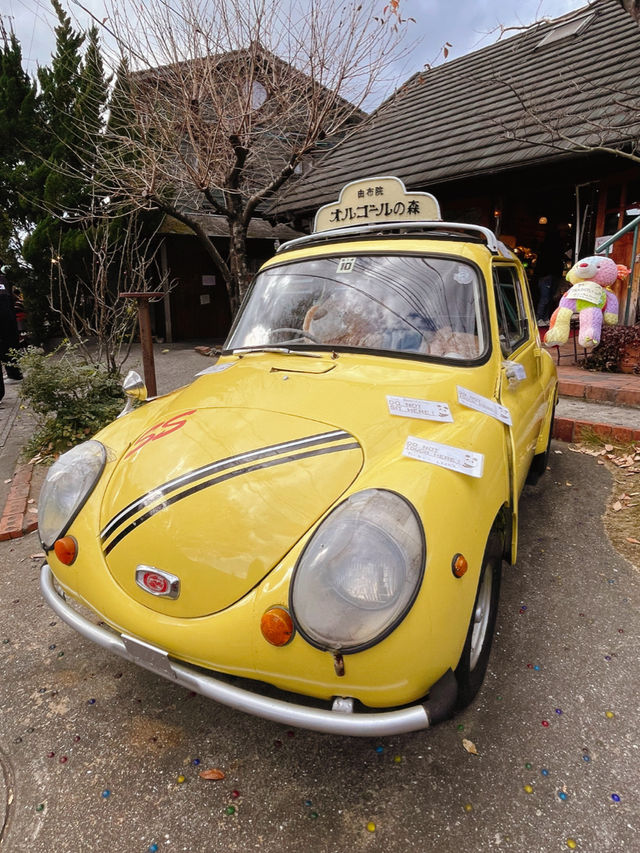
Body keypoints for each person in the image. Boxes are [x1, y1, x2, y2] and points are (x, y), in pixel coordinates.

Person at [534, 226, 565, 325]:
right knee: (546, 298)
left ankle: (543, 318)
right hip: (548, 275)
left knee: (547, 298)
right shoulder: (557, 247)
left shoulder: (545, 246)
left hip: (547, 275)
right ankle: (540, 318)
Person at [0, 265, 23, 392]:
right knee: (9, 346)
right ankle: (14, 373)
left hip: (5, 319)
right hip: (8, 318)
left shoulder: (3, 280)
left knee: (7, 346)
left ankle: (14, 374)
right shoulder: (4, 280)